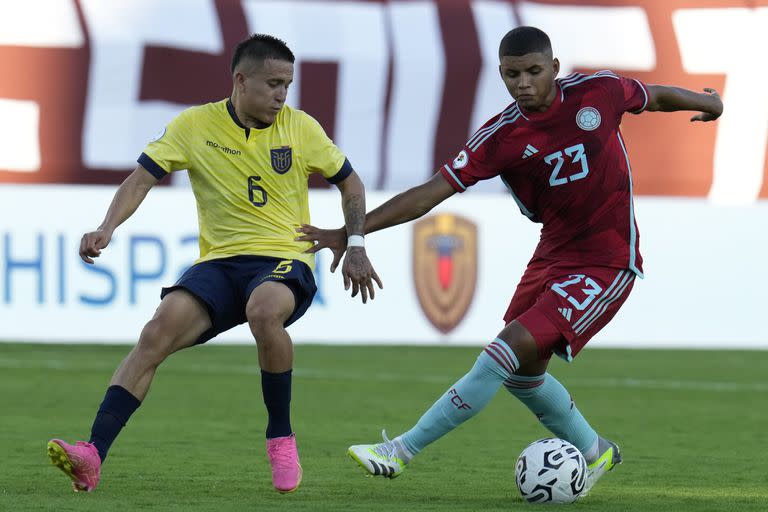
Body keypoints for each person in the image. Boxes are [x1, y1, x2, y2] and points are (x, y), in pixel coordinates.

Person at [297, 26, 722, 494]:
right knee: (522, 374)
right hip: (553, 255)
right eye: (511, 74)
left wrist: (708, 104)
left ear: (554, 69)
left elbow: (653, 96)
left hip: (607, 260)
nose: (523, 82)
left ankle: (399, 452)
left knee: (499, 355)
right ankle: (594, 448)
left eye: (534, 71)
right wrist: (353, 232)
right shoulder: (501, 137)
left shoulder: (597, 92)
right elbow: (429, 193)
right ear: (501, 74)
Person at [46, 34, 381, 495]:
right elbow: (141, 179)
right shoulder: (193, 125)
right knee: (155, 333)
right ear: (241, 81)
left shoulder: (301, 128)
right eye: (273, 84)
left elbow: (352, 183)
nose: (282, 95)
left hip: (285, 257)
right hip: (221, 263)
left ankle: (281, 438)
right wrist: (108, 227)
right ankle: (92, 454)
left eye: (288, 84)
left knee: (264, 312)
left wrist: (356, 242)